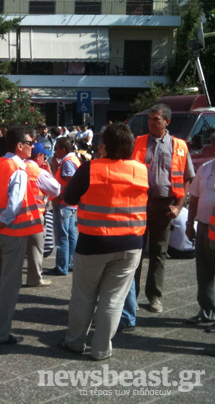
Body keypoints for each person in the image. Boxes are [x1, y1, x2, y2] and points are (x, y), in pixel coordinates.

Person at [61, 123, 148, 361]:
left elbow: (69, 197)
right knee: (114, 299)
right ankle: (101, 349)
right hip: (131, 244)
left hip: (93, 243)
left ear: (105, 146)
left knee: (83, 296)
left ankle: (75, 342)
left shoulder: (90, 169)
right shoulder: (141, 170)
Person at [0, 125, 43, 344]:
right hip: (10, 232)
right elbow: (14, 207)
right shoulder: (18, 169)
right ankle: (0, 333)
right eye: (30, 143)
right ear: (19, 146)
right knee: (9, 285)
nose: (32, 146)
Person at [130, 103, 194, 314]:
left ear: (167, 121)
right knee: (135, 250)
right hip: (139, 204)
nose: (150, 122)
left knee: (159, 252)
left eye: (155, 119)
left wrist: (178, 205)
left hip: (165, 205)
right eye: (149, 119)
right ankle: (130, 296)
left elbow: (186, 177)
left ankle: (154, 296)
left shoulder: (179, 146)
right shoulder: (137, 142)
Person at [185, 129, 215, 330]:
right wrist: (190, 224)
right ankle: (207, 311)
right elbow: (194, 198)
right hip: (205, 226)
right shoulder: (205, 169)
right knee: (203, 272)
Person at [24, 142, 60, 287]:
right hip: (34, 216)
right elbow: (55, 190)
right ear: (38, 156)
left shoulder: (16, 166)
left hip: (14, 215)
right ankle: (34, 279)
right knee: (35, 250)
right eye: (44, 156)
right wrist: (48, 171)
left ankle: (10, 280)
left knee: (14, 251)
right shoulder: (38, 172)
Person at [44, 137, 80, 277]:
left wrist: (58, 199)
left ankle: (62, 267)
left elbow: (70, 185)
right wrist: (54, 165)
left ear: (63, 149)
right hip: (69, 205)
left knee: (62, 237)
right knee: (70, 235)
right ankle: (69, 264)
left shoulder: (67, 162)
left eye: (56, 148)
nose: (54, 151)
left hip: (64, 204)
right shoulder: (72, 160)